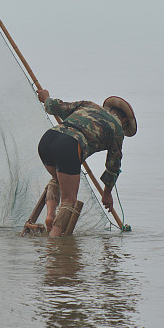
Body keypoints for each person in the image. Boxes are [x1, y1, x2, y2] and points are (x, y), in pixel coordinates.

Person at [36, 89, 137, 237]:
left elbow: (56, 107)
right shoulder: (117, 129)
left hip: (48, 139)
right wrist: (107, 194)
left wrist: (46, 98)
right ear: (124, 121)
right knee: (69, 201)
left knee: (57, 179)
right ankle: (54, 241)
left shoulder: (89, 105)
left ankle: (50, 215)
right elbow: (113, 166)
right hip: (69, 146)